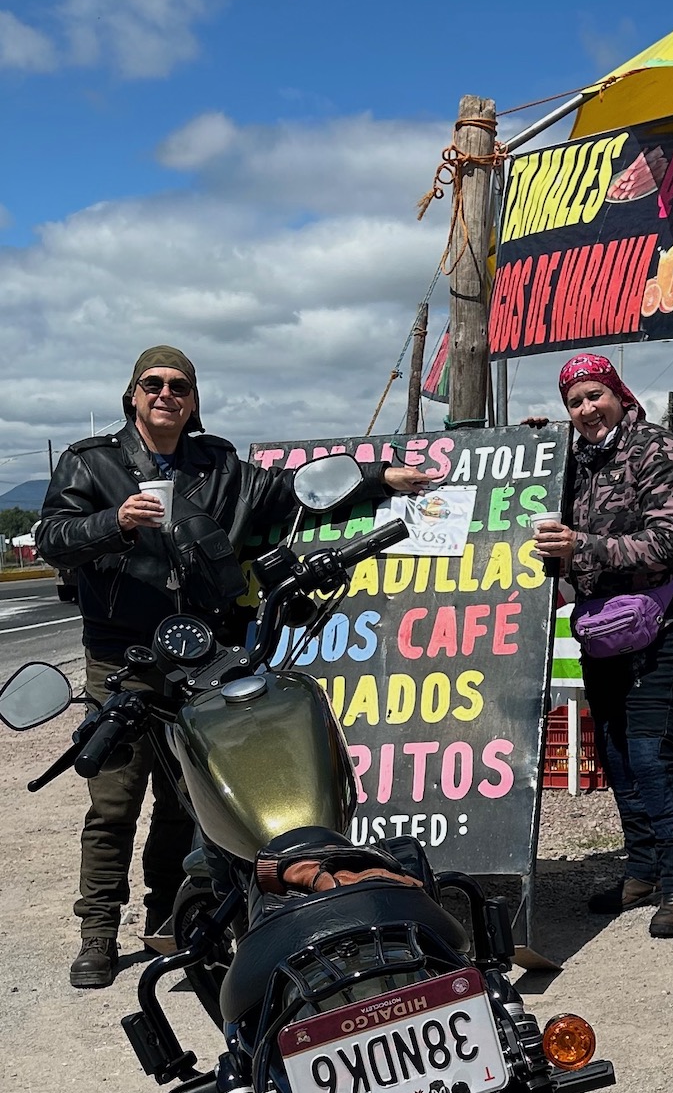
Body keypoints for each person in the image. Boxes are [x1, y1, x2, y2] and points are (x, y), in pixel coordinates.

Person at [36, 346, 432, 989]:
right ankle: (97, 933)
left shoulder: (219, 464)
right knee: (113, 800)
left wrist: (382, 475)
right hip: (126, 654)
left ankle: (167, 915)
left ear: (193, 400)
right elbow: (55, 537)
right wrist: (114, 521)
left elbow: (296, 488)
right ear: (132, 395)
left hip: (205, 660)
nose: (166, 394)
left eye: (180, 386)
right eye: (153, 384)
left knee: (189, 800)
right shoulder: (91, 461)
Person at [533, 353, 673, 938]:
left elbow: (667, 541)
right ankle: (643, 868)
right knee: (613, 749)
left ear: (619, 393)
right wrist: (537, 448)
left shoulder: (660, 450)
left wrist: (581, 546)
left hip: (664, 621)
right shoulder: (574, 460)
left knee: (649, 749)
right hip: (603, 627)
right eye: (574, 403)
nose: (586, 410)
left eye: (593, 396)